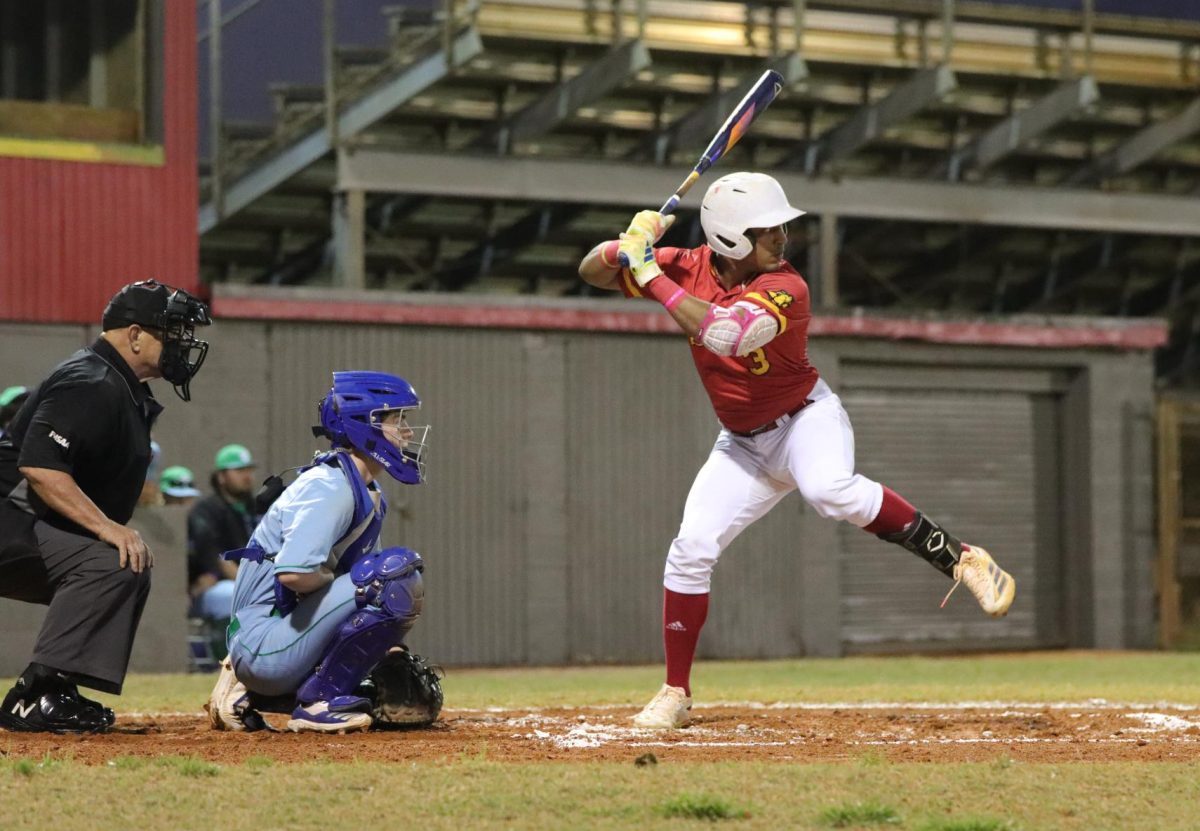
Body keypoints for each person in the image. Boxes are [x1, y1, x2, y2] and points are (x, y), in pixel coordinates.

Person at [577, 172, 1017, 730]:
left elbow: (727, 334)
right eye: (769, 229)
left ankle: (961, 558)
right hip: (742, 442)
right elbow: (590, 272)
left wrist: (646, 271)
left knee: (828, 489)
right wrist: (624, 245)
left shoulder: (787, 286)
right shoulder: (684, 264)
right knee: (690, 548)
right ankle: (676, 692)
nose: (783, 236)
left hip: (806, 421)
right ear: (731, 239)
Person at [0, 279, 211, 733]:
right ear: (134, 335)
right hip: (10, 510)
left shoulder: (118, 384)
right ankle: (36, 695)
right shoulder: (92, 380)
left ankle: (55, 687)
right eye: (170, 332)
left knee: (120, 563)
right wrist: (107, 528)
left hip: (20, 516)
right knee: (111, 561)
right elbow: (40, 466)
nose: (180, 344)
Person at [207, 371, 430, 733]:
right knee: (394, 573)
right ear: (364, 425)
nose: (406, 431)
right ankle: (316, 704)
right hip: (264, 643)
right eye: (396, 419)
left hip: (279, 638)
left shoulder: (361, 488)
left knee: (374, 672)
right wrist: (344, 589)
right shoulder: (331, 486)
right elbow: (294, 576)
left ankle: (249, 693)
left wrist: (387, 647)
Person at [186, 444, 259, 622]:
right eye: (239, 470)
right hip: (215, 584)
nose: (247, 476)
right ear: (221, 477)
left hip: (253, 581)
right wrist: (251, 585)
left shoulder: (255, 507)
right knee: (232, 595)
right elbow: (218, 559)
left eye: (249, 469)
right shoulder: (206, 511)